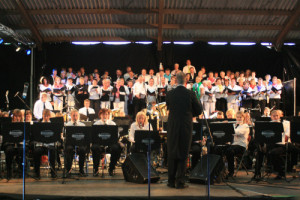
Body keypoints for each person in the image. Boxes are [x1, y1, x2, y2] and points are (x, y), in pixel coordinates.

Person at [166, 72, 202, 189]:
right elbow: (199, 110)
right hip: (185, 125)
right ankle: (180, 181)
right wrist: (190, 113)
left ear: (176, 80)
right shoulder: (190, 93)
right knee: (183, 151)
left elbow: (168, 106)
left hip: (172, 125)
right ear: (186, 81)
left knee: (172, 151)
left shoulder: (170, 94)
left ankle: (170, 181)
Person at [92, 108, 122, 176]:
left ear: (108, 115)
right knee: (94, 148)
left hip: (110, 145)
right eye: (103, 114)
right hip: (99, 145)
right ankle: (96, 169)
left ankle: (111, 168)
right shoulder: (96, 124)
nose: (105, 116)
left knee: (116, 148)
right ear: (100, 115)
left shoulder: (113, 124)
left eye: (106, 114)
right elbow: (94, 136)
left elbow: (116, 136)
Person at [33, 109, 57, 179]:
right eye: (44, 116)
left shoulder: (53, 125)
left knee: (52, 151)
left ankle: (53, 172)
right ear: (42, 116)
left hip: (50, 145)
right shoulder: (39, 125)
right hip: (41, 145)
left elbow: (55, 136)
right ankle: (37, 173)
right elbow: (36, 136)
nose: (46, 117)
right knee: (36, 151)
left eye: (47, 116)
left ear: (49, 116)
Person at [225, 111, 250, 178]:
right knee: (220, 149)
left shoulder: (245, 126)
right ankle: (221, 171)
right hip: (234, 145)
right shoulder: (234, 125)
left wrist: (227, 126)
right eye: (237, 117)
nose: (238, 119)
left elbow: (237, 132)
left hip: (241, 146)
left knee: (229, 151)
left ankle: (231, 172)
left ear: (243, 118)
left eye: (240, 117)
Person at [65, 109, 87, 177]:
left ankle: (81, 169)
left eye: (76, 115)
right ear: (71, 116)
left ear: (79, 116)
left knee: (83, 150)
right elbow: (65, 136)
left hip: (80, 144)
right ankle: (68, 170)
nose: (75, 117)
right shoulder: (67, 125)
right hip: (70, 144)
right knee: (69, 149)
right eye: (73, 115)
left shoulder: (82, 125)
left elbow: (84, 136)